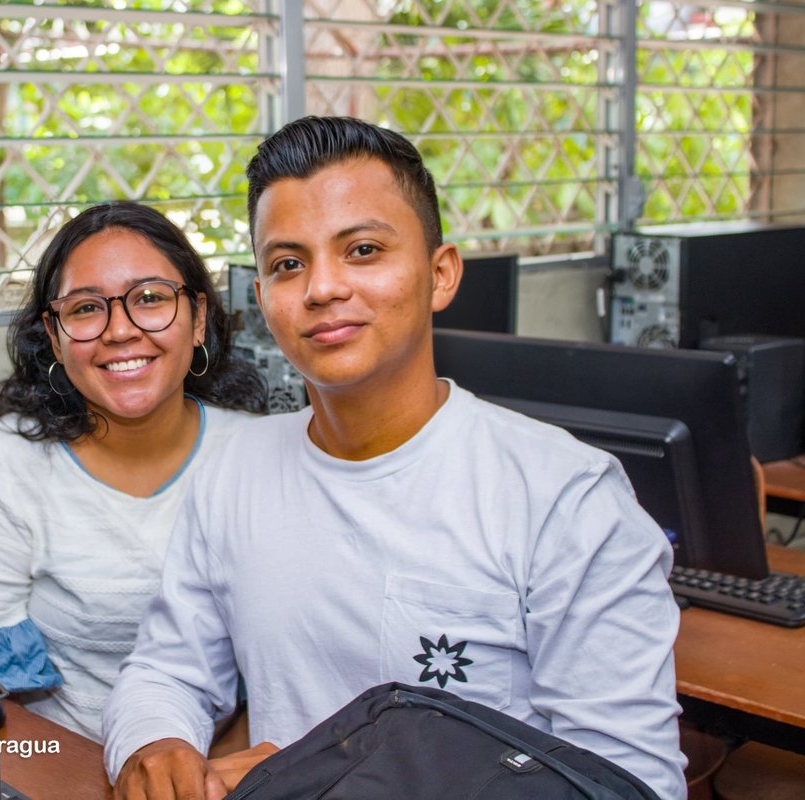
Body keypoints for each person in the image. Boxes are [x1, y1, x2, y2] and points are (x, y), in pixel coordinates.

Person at [103, 117, 688, 799]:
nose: (321, 288)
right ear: (261, 297)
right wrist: (154, 739)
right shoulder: (236, 468)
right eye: (287, 264)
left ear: (440, 275)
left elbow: (627, 786)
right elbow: (168, 668)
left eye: (363, 250)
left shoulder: (565, 497)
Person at [0, 201, 267, 741]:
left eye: (149, 299)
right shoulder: (4, 463)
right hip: (66, 770)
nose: (120, 330)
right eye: (85, 309)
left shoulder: (257, 452)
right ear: (54, 338)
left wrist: (216, 778)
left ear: (198, 318)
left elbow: (287, 676)